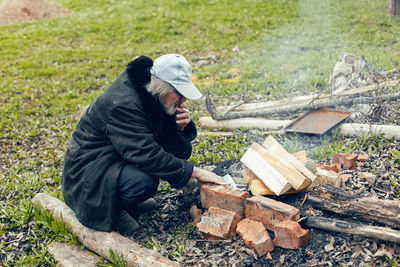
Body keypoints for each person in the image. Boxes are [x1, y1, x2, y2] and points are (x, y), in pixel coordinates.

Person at [62, 54, 226, 235]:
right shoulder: (124, 103)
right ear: (162, 87)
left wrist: (180, 127)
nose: (183, 101)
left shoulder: (151, 91)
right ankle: (111, 210)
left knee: (182, 148)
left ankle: (125, 199)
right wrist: (196, 172)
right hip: (88, 178)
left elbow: (154, 138)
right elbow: (146, 154)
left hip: (118, 155)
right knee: (144, 182)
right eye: (179, 94)